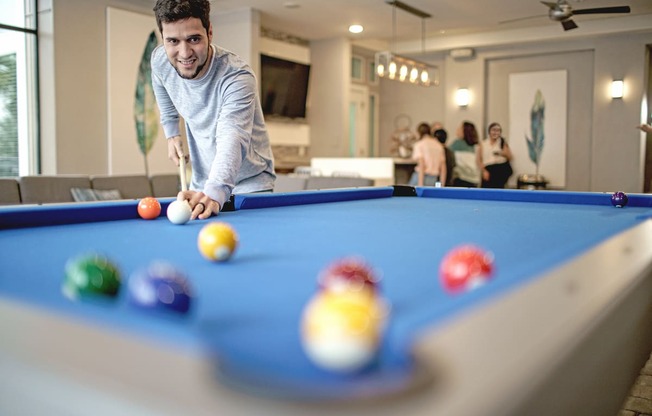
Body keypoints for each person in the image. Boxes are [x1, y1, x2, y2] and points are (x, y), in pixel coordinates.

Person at [151, 0, 275, 220]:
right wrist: (172, 133)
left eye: (194, 39)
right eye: (173, 41)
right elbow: (161, 84)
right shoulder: (160, 60)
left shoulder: (237, 77)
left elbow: (232, 135)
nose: (184, 53)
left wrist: (216, 190)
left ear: (209, 32)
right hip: (202, 185)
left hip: (249, 185)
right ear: (163, 39)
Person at [408, 122, 446, 187]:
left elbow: (422, 164)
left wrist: (420, 185)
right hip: (433, 179)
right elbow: (443, 168)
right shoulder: (438, 145)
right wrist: (441, 185)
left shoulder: (419, 145)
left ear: (419, 133)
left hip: (420, 177)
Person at [448, 121, 482, 187]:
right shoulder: (477, 146)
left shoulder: (457, 144)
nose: (457, 129)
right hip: (473, 179)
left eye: (460, 128)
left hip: (462, 178)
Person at [481, 122, 514, 188]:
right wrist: (484, 170)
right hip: (488, 169)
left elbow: (510, 157)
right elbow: (479, 160)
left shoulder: (502, 142)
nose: (495, 133)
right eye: (493, 130)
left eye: (498, 130)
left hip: (500, 169)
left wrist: (501, 153)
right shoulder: (483, 144)